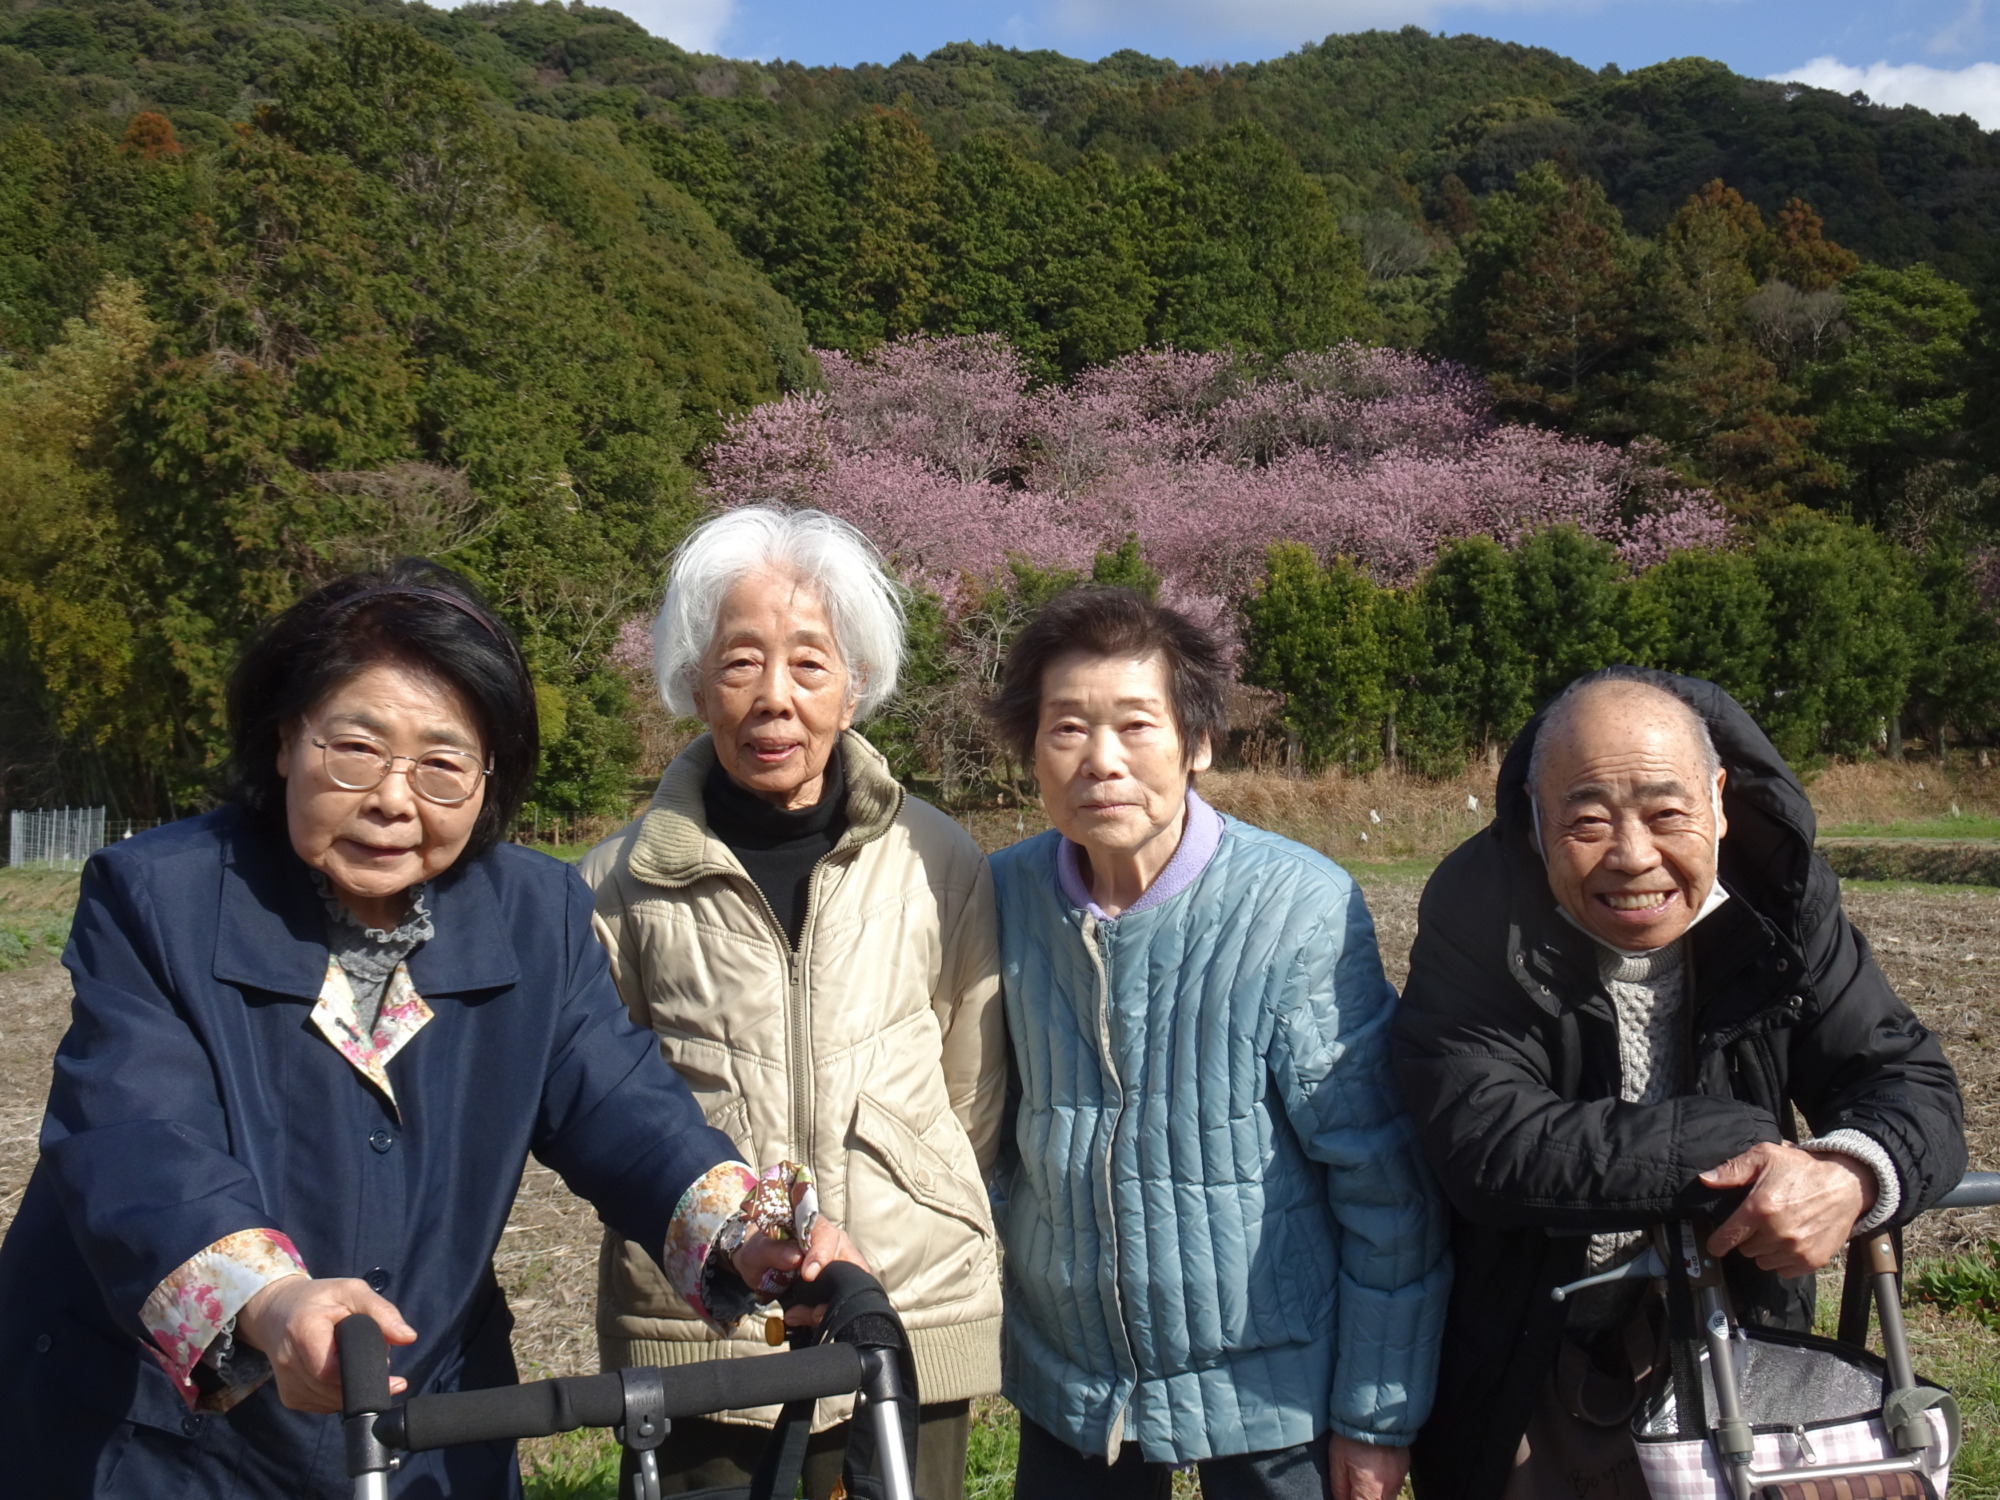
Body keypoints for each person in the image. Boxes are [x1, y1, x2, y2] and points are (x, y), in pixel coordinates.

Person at [0, 560, 859, 1497]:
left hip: (427, 1420)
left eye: (443, 765)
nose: (394, 799)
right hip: (163, 1435)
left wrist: (750, 1228)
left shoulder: (532, 910)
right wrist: (274, 1301)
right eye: (356, 749)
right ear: (287, 738)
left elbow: (617, 1101)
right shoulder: (161, 896)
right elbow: (136, 1139)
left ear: (489, 781)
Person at [1392, 666, 1967, 1500]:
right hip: (1530, 1357)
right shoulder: (1479, 913)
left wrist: (1852, 1172)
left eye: (1668, 814)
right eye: (1587, 821)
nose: (1633, 857)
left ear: (1720, 800)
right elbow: (1490, 1141)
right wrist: (1741, 1144)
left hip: (1743, 1344)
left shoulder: (1783, 905)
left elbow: (1908, 1081)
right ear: (1536, 818)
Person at [983, 587, 1449, 1500]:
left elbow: (1384, 1182)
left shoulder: (1296, 907)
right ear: (1031, 752)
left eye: (1136, 726)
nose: (1101, 762)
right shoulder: (998, 897)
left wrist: (1376, 1415)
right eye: (1068, 728)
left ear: (1197, 743)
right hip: (1074, 1390)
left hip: (1272, 1390)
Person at [581, 507, 1004, 1499]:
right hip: (708, 1319)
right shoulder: (618, 881)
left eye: (809, 665)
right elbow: (598, 1104)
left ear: (855, 688)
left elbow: (969, 1088)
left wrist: (905, 1186)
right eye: (739, 664)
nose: (774, 698)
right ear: (693, 682)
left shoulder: (936, 859)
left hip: (900, 1301)